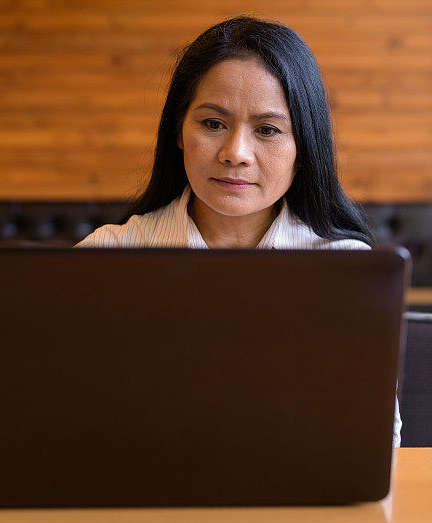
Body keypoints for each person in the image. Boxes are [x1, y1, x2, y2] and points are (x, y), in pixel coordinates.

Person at [77, 16, 401, 446]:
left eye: (267, 130)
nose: (236, 154)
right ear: (179, 130)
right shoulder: (103, 259)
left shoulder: (347, 272)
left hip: (295, 502)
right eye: (213, 124)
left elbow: (377, 437)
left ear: (302, 150)